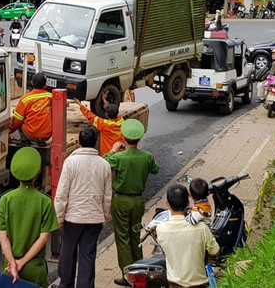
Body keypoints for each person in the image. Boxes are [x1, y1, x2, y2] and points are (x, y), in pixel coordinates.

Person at [104, 119, 160, 286]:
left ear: (124, 136)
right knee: (136, 236)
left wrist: (113, 150)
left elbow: (104, 162)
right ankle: (141, 271)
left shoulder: (118, 158)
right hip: (138, 201)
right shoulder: (146, 157)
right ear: (139, 138)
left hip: (121, 201)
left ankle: (128, 275)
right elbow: (155, 169)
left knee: (123, 239)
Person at [54, 128, 112, 288]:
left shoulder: (70, 162)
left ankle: (65, 284)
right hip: (94, 218)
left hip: (72, 217)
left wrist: (59, 217)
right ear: (96, 143)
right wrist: (105, 214)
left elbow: (62, 193)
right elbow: (107, 195)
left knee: (67, 252)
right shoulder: (104, 164)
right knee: (88, 255)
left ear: (79, 143)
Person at [0, 147, 59, 287]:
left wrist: (13, 264)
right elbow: (43, 238)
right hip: (34, 267)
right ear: (37, 174)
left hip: (9, 267)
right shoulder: (45, 201)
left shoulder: (5, 199)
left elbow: (2, 237)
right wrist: (22, 263)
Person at [156, 184, 219, 288]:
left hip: (174, 285)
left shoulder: (161, 229)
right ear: (188, 203)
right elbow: (215, 250)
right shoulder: (202, 227)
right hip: (200, 284)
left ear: (167, 204)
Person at [9, 73, 52, 142]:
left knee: (19, 118)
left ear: (32, 83)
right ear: (45, 85)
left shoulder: (26, 99)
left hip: (30, 135)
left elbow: (16, 122)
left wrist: (8, 131)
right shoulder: (51, 97)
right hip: (47, 136)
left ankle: (24, 142)